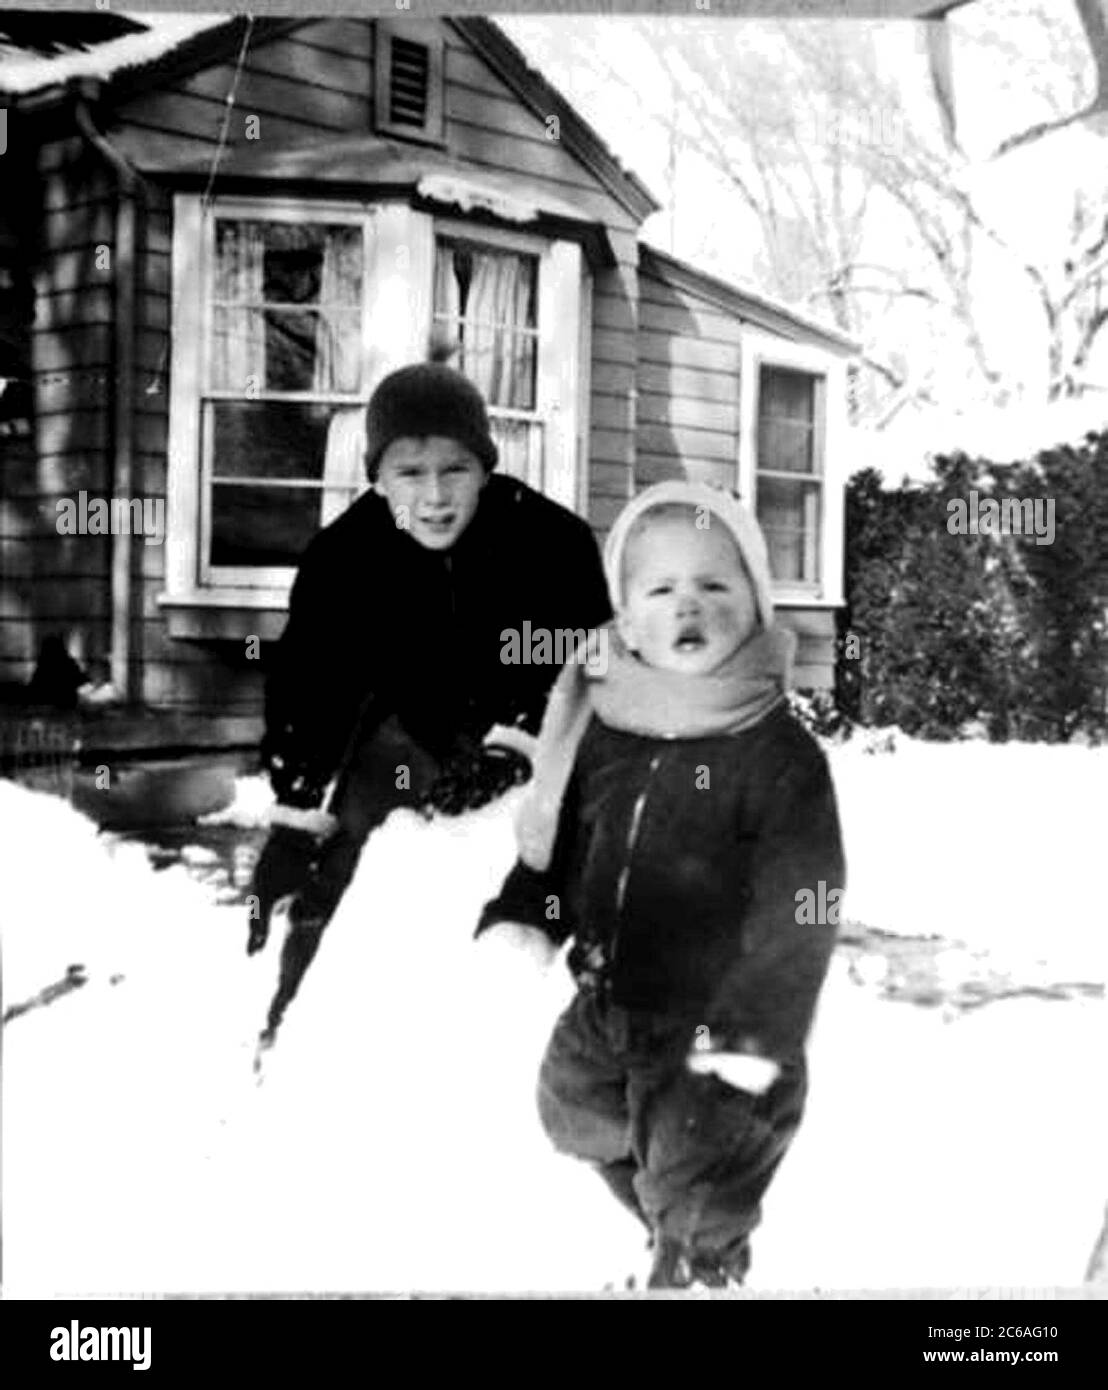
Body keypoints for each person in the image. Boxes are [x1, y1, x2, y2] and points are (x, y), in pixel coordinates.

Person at [476, 480, 846, 1289]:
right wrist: (525, 912)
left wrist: (757, 1029)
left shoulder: (776, 753)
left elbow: (804, 906)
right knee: (571, 1108)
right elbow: (566, 848)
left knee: (698, 1171)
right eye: (661, 589)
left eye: (715, 584)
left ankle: (702, 1264)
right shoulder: (608, 726)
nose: (689, 605)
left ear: (755, 606)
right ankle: (666, 1222)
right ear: (626, 617)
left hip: (712, 1023)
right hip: (609, 1002)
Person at [248, 358, 611, 1048]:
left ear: (485, 468)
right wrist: (295, 818)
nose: (436, 495)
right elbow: (310, 688)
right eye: (410, 473)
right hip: (413, 733)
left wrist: (516, 747)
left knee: (557, 874)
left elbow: (587, 671)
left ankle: (559, 1035)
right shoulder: (343, 558)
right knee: (342, 864)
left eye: (455, 469)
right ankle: (291, 1029)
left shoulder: (550, 542)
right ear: (378, 477)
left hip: (541, 747)